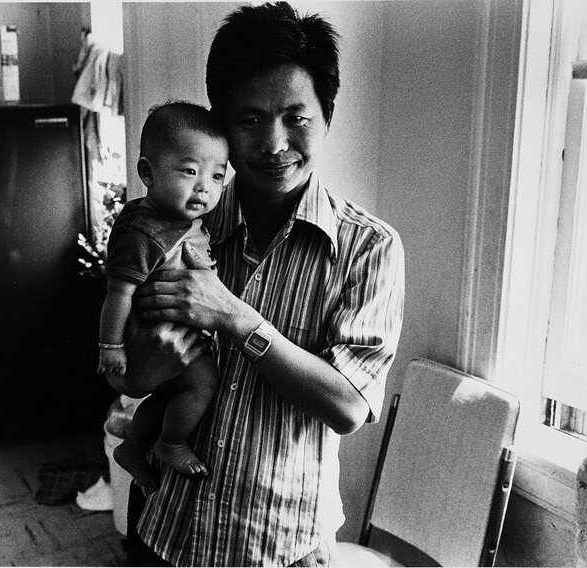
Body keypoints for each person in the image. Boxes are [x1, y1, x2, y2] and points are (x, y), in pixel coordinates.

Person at [106, 2, 406, 567]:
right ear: (221, 125)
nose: (274, 143)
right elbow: (126, 371)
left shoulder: (369, 247)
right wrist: (140, 366)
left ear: (326, 118)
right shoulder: (170, 226)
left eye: (296, 118)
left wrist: (235, 317)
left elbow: (348, 405)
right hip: (169, 526)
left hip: (282, 544)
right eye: (249, 120)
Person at [97, 102, 228, 490]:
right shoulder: (146, 233)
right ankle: (171, 443)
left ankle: (133, 448)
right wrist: (110, 346)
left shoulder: (181, 220)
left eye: (217, 175)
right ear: (147, 173)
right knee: (203, 383)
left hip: (179, 339)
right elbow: (118, 293)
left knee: (170, 395)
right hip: (157, 340)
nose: (204, 186)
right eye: (189, 171)